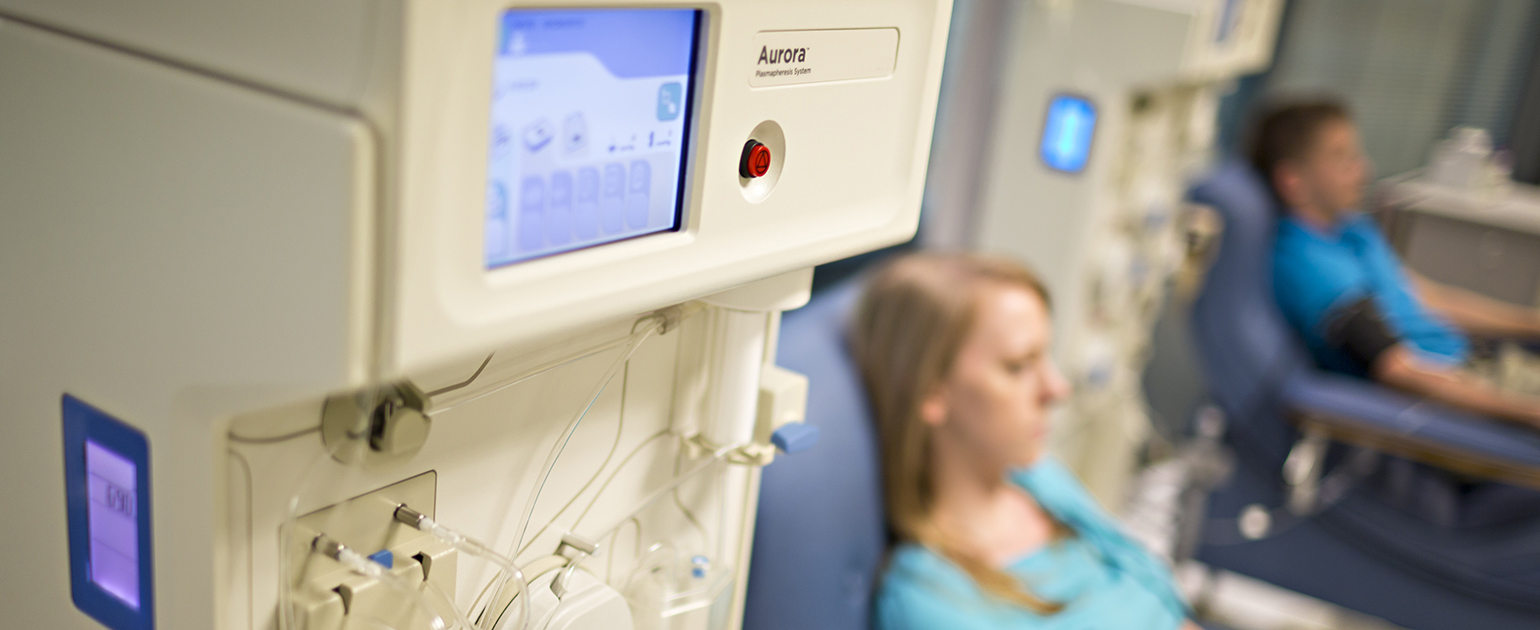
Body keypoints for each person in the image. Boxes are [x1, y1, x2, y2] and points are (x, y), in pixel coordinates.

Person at [855, 253, 1200, 630]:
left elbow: (1162, 598)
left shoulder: (1037, 479)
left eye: (1045, 358)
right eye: (1018, 366)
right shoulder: (928, 599)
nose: (1057, 388)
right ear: (930, 391)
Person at [1255, 98, 1540, 427]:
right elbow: (1396, 369)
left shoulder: (1350, 229)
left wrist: (1531, 323)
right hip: (1462, 388)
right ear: (1292, 181)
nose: (1363, 170)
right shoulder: (1308, 266)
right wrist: (1527, 412)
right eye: (1341, 158)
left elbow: (1427, 299)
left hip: (1480, 363)